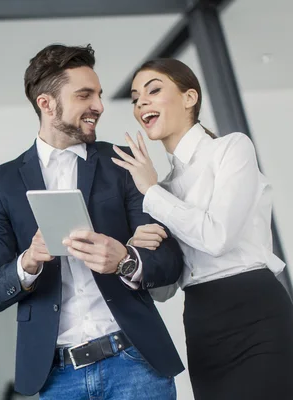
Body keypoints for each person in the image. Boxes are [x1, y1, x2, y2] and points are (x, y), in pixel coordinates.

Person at [0, 44, 185, 400]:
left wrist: (124, 260)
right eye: (85, 95)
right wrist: (28, 262)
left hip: (135, 363)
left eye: (99, 95)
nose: (99, 106)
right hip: (57, 379)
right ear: (47, 103)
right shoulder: (2, 183)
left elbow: (169, 262)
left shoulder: (122, 162)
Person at [112, 57, 293, 399]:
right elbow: (164, 290)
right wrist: (137, 253)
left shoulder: (231, 148)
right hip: (201, 319)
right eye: (136, 98)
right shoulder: (161, 189)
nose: (141, 103)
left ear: (189, 97)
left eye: (153, 90)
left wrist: (150, 192)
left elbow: (217, 236)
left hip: (255, 309)